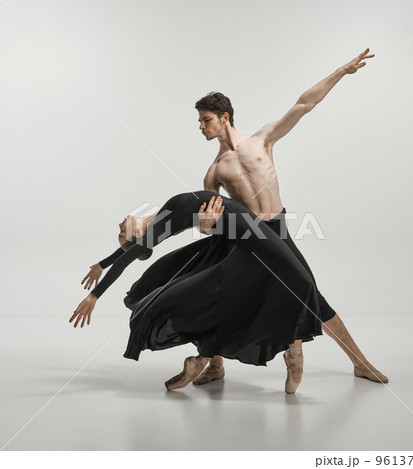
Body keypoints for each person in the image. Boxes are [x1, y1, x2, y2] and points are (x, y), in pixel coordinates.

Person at [191, 47, 388, 386]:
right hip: (247, 237)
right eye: (199, 121)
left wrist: (341, 71)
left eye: (205, 119)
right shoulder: (214, 171)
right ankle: (218, 365)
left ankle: (356, 361)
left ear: (224, 117)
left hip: (275, 229)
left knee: (307, 291)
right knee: (221, 296)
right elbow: (204, 221)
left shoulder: (262, 140)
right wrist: (205, 226)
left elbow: (304, 104)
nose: (200, 127)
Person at [70, 191, 324, 393]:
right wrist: (94, 295)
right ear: (139, 235)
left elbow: (125, 253)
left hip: (238, 233)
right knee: (300, 281)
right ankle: (295, 353)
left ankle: (286, 352)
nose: (119, 224)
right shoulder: (158, 229)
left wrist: (102, 264)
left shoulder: (159, 218)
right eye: (121, 231)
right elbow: (128, 258)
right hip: (247, 231)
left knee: (288, 282)